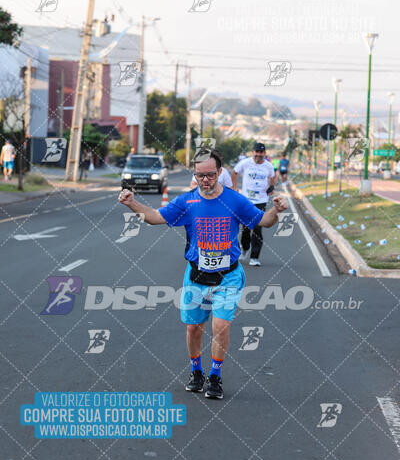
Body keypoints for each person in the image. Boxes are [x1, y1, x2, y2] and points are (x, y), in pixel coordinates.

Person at [118, 149, 288, 399]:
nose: (205, 180)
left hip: (227, 276)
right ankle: (197, 372)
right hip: (197, 275)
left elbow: (264, 221)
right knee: (194, 329)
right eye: (200, 175)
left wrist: (277, 211)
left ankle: (215, 376)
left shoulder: (235, 200)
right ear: (194, 175)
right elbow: (154, 217)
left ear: (220, 173)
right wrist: (131, 202)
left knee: (220, 326)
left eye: (210, 175)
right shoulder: (187, 202)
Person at [231, 142, 275, 266]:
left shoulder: (268, 166)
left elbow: (272, 177)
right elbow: (234, 172)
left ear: (264, 154)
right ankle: (245, 248)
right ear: (253, 152)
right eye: (256, 152)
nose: (258, 155)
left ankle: (254, 257)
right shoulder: (245, 163)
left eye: (261, 152)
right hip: (246, 200)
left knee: (257, 228)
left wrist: (271, 186)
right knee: (245, 228)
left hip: (261, 201)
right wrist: (234, 187)